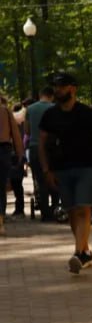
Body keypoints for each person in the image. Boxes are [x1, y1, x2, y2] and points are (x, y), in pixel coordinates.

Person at [37, 72, 92, 274]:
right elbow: (42, 146)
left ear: (73, 88)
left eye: (62, 86)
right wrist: (46, 170)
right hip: (60, 169)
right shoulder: (50, 116)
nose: (57, 90)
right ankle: (84, 252)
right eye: (55, 86)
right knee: (71, 211)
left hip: (86, 168)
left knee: (82, 209)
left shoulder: (87, 113)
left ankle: (78, 253)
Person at [25, 86, 57, 221]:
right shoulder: (55, 108)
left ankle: (45, 214)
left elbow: (27, 131)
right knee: (54, 179)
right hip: (52, 148)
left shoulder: (30, 109)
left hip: (35, 147)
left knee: (40, 181)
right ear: (52, 96)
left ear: (40, 94)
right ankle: (56, 209)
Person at [0, 96, 24, 235]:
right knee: (0, 187)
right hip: (3, 149)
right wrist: (20, 154)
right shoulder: (5, 111)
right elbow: (15, 133)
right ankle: (0, 221)